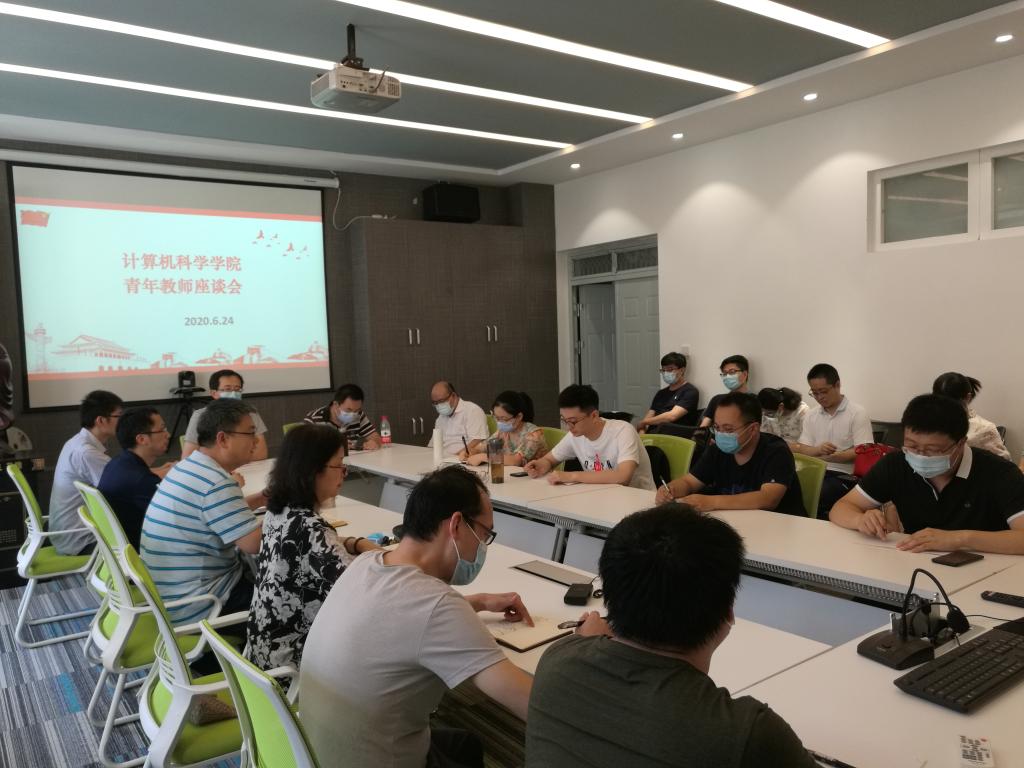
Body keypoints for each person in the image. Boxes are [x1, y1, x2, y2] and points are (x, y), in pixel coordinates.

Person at [525, 503, 818, 767]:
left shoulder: (556, 661)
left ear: (610, 599)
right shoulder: (747, 734)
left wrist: (586, 642)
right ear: (728, 610)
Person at [300, 465, 535, 768]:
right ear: (456, 525)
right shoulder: (437, 605)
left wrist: (477, 602)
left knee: (465, 744)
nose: (482, 547)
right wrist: (578, 646)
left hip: (311, 753)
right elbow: (532, 706)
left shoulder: (367, 563)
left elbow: (403, 616)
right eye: (484, 534)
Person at [245, 425, 379, 671]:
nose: (344, 473)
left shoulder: (279, 511)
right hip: (293, 667)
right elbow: (363, 587)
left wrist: (355, 542)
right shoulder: (310, 528)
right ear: (314, 471)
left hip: (262, 656)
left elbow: (313, 547)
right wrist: (382, 556)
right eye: (339, 465)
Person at [829, 394, 1024, 555]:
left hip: (987, 571)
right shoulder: (896, 463)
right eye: (912, 446)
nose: (921, 456)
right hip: (915, 565)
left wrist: (960, 539)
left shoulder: (999, 473)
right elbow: (841, 508)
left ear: (960, 443)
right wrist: (860, 520)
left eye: (933, 450)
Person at [140, 399, 263, 624]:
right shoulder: (215, 482)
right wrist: (294, 511)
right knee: (295, 598)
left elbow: (218, 513)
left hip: (172, 595)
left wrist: (264, 498)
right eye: (250, 433)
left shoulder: (190, 466)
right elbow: (254, 544)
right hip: (202, 605)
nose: (256, 441)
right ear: (223, 439)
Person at [656, 392, 805, 516]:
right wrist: (671, 489)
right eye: (717, 428)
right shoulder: (717, 450)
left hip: (779, 527)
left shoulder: (776, 451)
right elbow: (689, 482)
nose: (721, 434)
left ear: (753, 429)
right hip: (734, 522)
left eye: (728, 429)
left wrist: (711, 502)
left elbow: (768, 499)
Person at [524, 384, 656, 490]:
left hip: (638, 501)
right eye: (564, 420)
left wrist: (572, 476)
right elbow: (549, 459)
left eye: (573, 421)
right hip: (601, 498)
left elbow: (623, 477)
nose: (568, 427)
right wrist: (541, 465)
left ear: (594, 416)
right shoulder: (575, 435)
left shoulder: (623, 431)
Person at [49, 390, 124, 555]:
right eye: (119, 416)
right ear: (101, 420)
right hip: (81, 540)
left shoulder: (76, 442)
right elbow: (124, 482)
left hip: (69, 534)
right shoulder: (86, 452)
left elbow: (123, 475)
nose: (123, 421)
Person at [791, 363, 873, 513]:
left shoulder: (857, 413)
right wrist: (817, 450)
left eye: (823, 391)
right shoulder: (811, 415)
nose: (819, 397)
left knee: (818, 493)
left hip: (844, 475)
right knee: (784, 488)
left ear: (837, 385)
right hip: (814, 470)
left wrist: (834, 456)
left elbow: (864, 451)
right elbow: (804, 448)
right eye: (814, 393)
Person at [97, 406, 174, 549]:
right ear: (142, 439)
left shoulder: (117, 463)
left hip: (120, 548)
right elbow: (175, 518)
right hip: (144, 550)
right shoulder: (141, 480)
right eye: (162, 430)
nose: (168, 435)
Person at [182, 369, 268, 461]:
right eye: (228, 389)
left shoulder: (250, 413)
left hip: (246, 467)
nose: (233, 394)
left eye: (237, 389)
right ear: (214, 393)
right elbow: (187, 457)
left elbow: (261, 453)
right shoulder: (200, 415)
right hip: (213, 468)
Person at [932, 372, 1010, 461]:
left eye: (952, 402)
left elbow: (1004, 463)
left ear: (967, 397)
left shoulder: (984, 429)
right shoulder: (925, 422)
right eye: (940, 401)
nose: (946, 406)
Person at [461, 391, 548, 467]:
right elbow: (483, 447)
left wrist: (483, 457)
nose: (499, 422)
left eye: (504, 419)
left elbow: (516, 461)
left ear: (519, 416)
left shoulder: (534, 434)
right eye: (496, 418)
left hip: (535, 478)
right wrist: (472, 451)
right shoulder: (503, 431)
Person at [303, 382, 382, 451]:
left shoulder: (359, 415)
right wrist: (336, 446)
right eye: (349, 410)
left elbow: (375, 437)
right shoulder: (314, 419)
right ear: (336, 405)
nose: (353, 414)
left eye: (356, 410)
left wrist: (374, 442)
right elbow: (306, 449)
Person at [638, 352, 700, 432]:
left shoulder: (690, 391)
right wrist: (642, 433)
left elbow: (671, 416)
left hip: (673, 435)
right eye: (663, 370)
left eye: (670, 370)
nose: (666, 373)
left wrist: (643, 422)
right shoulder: (661, 393)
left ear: (682, 370)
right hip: (652, 434)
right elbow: (648, 417)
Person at [428, 380, 489, 456]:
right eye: (435, 403)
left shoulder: (472, 411)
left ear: (453, 395)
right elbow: (433, 444)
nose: (439, 405)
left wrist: (456, 456)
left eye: (441, 401)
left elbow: (477, 441)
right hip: (442, 458)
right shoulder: (440, 418)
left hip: (463, 458)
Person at [699, 355, 750, 428]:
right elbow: (702, 428)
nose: (727, 376)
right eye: (725, 373)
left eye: (732, 372)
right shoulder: (717, 399)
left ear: (745, 374)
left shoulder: (754, 402)